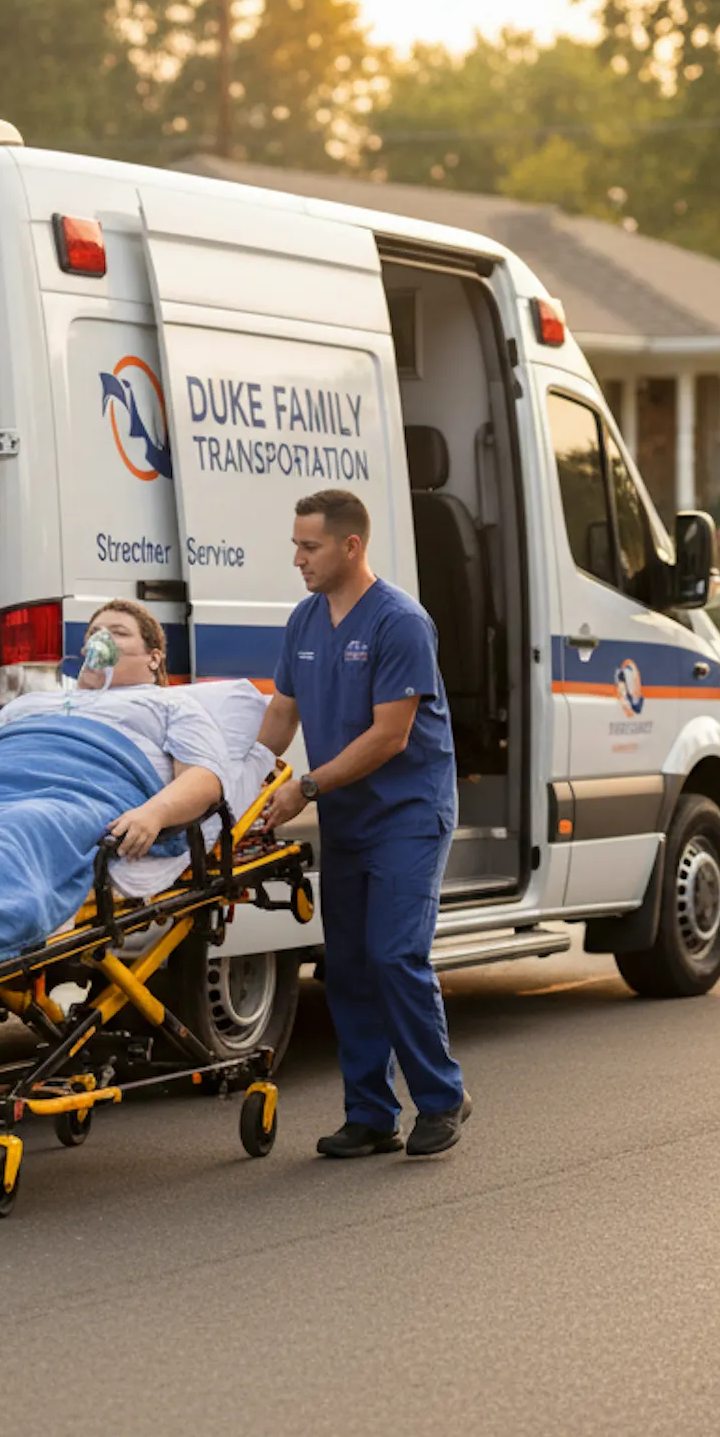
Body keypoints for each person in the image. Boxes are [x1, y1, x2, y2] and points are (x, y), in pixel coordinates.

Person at [258, 489, 471, 1158]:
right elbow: (280, 720)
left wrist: (307, 787)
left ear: (351, 546)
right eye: (296, 544)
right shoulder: (304, 622)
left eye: (310, 546)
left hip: (408, 813)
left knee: (393, 955)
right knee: (347, 965)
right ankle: (371, 1115)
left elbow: (390, 737)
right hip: (347, 817)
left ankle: (441, 1099)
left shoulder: (399, 622)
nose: (298, 558)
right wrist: (229, 785)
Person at [0, 600, 228, 859]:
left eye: (117, 632)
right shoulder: (30, 703)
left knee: (22, 824)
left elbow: (203, 778)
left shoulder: (169, 704)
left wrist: (154, 815)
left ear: (154, 658)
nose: (100, 639)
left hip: (58, 803)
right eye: (94, 632)